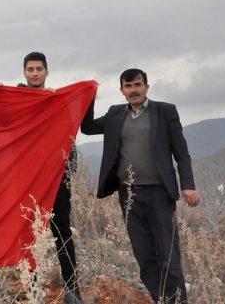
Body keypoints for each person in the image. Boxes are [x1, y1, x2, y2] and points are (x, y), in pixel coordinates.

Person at [81, 68, 199, 304]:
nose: (133, 90)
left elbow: (182, 153)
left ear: (146, 87)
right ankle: (161, 299)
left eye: (137, 85)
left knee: (168, 255)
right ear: (122, 90)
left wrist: (188, 185)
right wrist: (88, 96)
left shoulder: (165, 111)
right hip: (129, 194)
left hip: (159, 193)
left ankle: (178, 301)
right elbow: (87, 128)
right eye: (128, 86)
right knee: (144, 256)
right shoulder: (115, 114)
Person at [18, 52, 84, 304]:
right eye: (30, 69)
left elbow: (72, 128)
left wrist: (81, 96)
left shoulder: (57, 100)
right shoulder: (16, 98)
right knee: (28, 233)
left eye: (39, 69)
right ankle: (33, 289)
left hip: (57, 177)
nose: (35, 73)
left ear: (47, 72)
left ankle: (72, 288)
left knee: (62, 231)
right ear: (24, 72)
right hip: (26, 179)